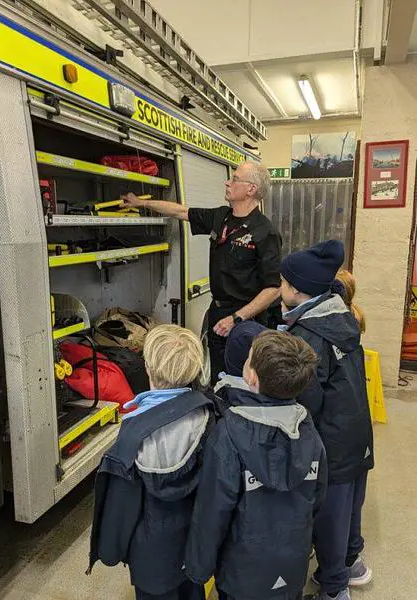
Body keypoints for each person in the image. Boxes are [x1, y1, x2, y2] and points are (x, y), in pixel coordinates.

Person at [185, 329, 327, 600]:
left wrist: (198, 568)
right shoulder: (309, 431)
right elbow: (317, 499)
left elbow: (212, 511)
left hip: (242, 574)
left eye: (249, 359)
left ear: (251, 377)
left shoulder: (228, 434)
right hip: (292, 566)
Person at [123, 161, 282, 384]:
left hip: (246, 320)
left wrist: (237, 318)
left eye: (235, 179)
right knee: (218, 378)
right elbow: (180, 211)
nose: (227, 182)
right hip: (219, 313)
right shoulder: (221, 217)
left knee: (244, 381)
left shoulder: (265, 232)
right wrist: (141, 203)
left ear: (251, 189)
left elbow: (273, 289)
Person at [88, 324, 216, 600]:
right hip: (196, 542)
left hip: (150, 554)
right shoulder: (209, 418)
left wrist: (110, 548)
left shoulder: (133, 430)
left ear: (148, 368)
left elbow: (122, 502)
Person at [279, 240, 374, 600]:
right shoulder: (341, 317)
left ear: (297, 290)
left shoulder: (308, 335)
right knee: (350, 505)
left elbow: (308, 400)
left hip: (331, 442)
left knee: (330, 516)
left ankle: (335, 589)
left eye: (283, 282)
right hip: (356, 433)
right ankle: (352, 562)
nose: (279, 287)